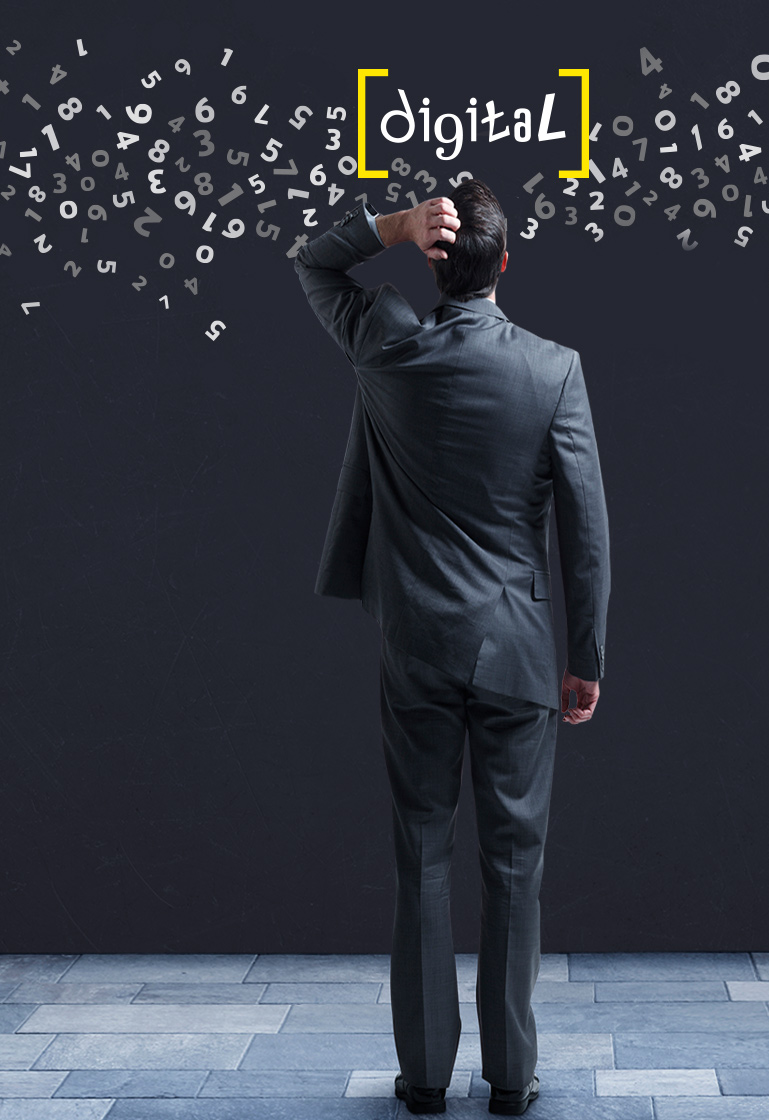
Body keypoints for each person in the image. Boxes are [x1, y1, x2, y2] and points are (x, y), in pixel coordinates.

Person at [294, 180, 610, 1116]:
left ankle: (424, 1077)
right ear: (506, 265)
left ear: (437, 261)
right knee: (515, 867)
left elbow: (314, 260)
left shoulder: (387, 347)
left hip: (417, 649)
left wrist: (389, 227)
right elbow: (586, 532)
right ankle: (512, 1077)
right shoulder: (555, 370)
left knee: (421, 858)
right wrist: (584, 658)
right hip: (517, 652)